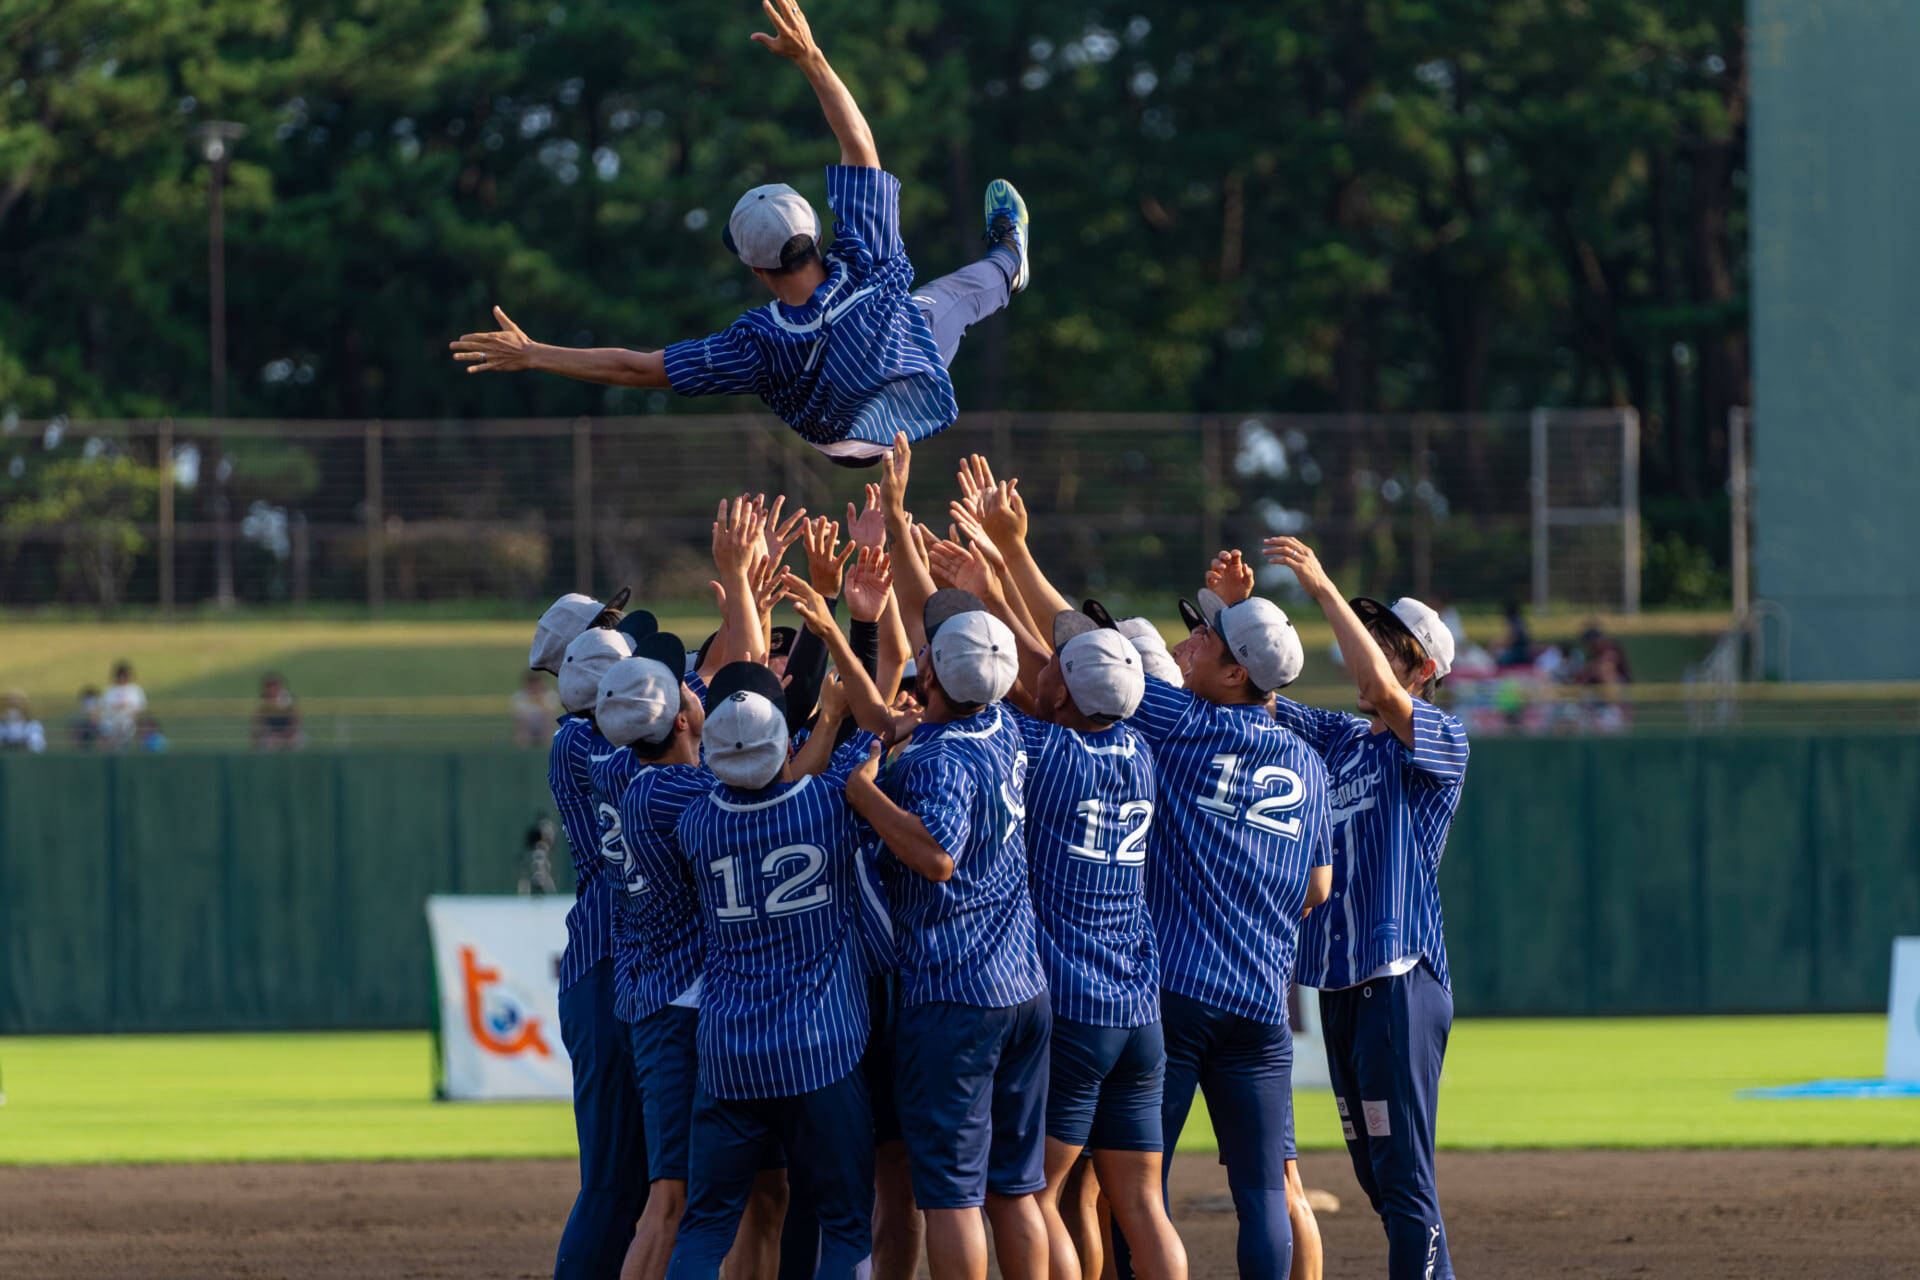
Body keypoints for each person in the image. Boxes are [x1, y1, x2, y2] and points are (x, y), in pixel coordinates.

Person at [962, 463, 1332, 1279]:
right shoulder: (1307, 763)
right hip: (1263, 1003)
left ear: (1236, 674)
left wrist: (1012, 553)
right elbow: (1316, 890)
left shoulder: (1184, 724)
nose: (1191, 642)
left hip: (1177, 994)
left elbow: (1077, 644)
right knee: (1264, 1192)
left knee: (1137, 1188)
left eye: (1209, 638)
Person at [450, 0, 1029, 466]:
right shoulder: (866, 260)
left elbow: (637, 368)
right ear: (817, 239)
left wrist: (533, 354)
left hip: (832, 436)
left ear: (754, 268)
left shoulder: (755, 342)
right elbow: (861, 149)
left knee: (912, 310)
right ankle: (1010, 256)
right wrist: (812, 59)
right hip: (912, 400)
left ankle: (1004, 263)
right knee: (942, 297)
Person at [1261, 537, 1470, 1280]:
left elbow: (1385, 695)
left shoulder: (1439, 738)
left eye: (1389, 645)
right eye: (1371, 638)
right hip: (1344, 991)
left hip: (1400, 983)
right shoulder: (1347, 740)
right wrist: (1229, 613)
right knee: (1382, 1186)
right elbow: (1263, 698)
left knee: (1407, 1187)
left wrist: (1322, 587)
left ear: (1424, 670)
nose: (1371, 654)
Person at [666, 626, 895, 1279]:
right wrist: (835, 713)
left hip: (729, 1053)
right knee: (847, 1225)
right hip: (820, 1050)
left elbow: (760, 775)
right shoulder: (826, 804)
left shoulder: (697, 822)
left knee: (707, 1228)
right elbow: (866, 742)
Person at [845, 589, 1052, 1280]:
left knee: (951, 1196)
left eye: (927, 651)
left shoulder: (937, 762)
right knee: (1017, 1190)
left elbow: (937, 856)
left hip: (955, 995)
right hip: (1024, 987)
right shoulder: (1003, 727)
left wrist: (863, 793)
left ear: (930, 674)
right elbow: (906, 724)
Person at [250, 673, 304, 750]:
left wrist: (286, 734)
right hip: (270, 736)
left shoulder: (289, 701)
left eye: (276, 687)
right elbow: (257, 724)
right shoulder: (262, 704)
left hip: (288, 734)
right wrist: (269, 735)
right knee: (268, 743)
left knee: (298, 739)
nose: (273, 690)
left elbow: (296, 721)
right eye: (270, 687)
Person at [100, 661, 145, 748]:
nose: (122, 679)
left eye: (124, 676)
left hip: (130, 720)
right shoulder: (110, 690)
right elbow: (104, 708)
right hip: (112, 720)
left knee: (127, 729)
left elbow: (140, 708)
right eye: (120, 676)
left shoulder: (135, 689)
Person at [513, 671, 563, 747]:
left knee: (548, 722)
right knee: (522, 727)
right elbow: (520, 717)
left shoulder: (550, 695)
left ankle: (548, 747)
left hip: (545, 725)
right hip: (527, 725)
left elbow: (551, 714)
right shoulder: (520, 697)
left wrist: (540, 700)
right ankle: (523, 748)